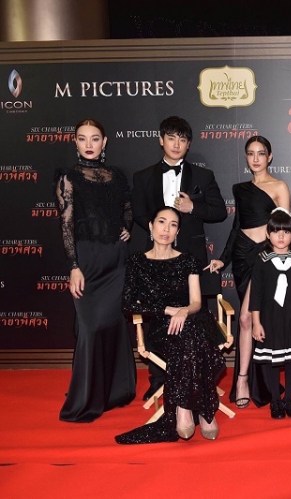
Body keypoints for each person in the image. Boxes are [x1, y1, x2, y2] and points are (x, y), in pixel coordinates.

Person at [131, 116, 227, 401]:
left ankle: (199, 379)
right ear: (161, 140)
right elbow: (138, 213)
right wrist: (161, 232)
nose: (176, 144)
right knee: (158, 318)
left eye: (182, 139)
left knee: (194, 317)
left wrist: (192, 206)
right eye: (171, 138)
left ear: (188, 144)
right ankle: (159, 379)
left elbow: (219, 211)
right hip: (156, 258)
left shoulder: (203, 176)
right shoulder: (143, 176)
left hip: (191, 260)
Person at [116, 206, 226, 444]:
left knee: (190, 331)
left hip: (193, 319)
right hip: (161, 327)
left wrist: (184, 311)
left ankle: (184, 407)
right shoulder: (137, 261)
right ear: (151, 226)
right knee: (190, 338)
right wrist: (167, 310)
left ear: (178, 232)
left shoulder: (188, 260)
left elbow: (196, 302)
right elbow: (127, 304)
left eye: (173, 225)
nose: (166, 229)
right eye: (161, 222)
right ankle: (206, 410)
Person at [55, 118, 136, 423]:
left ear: (105, 142)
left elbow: (127, 207)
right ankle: (86, 399)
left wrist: (126, 227)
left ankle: (115, 391)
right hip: (87, 260)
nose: (89, 144)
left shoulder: (117, 175)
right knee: (89, 328)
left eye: (95, 138)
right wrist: (74, 266)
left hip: (116, 259)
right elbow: (65, 224)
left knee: (113, 325)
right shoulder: (68, 177)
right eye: (82, 138)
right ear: (75, 142)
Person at [206, 136, 291, 409]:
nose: (256, 159)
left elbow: (286, 228)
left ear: (270, 157)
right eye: (251, 153)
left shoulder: (279, 187)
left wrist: (289, 257)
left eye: (261, 153)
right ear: (246, 157)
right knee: (252, 321)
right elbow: (236, 227)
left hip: (266, 256)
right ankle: (254, 379)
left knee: (245, 317)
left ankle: (243, 379)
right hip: (242, 255)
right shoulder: (240, 189)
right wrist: (223, 260)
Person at [249, 209, 291, 419]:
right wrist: (256, 323)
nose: (281, 236)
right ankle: (275, 401)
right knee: (272, 360)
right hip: (270, 320)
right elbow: (256, 295)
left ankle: (288, 399)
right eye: (276, 231)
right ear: (268, 234)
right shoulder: (261, 261)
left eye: (286, 232)